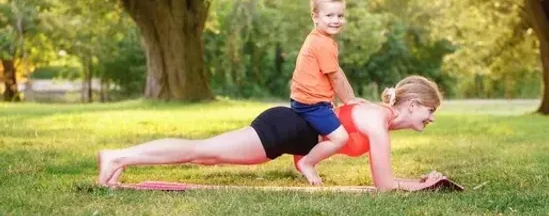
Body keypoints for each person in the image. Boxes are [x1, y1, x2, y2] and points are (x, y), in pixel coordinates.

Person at [97, 75, 444, 192]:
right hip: (281, 131)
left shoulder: (377, 118)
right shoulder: (377, 121)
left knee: (204, 154)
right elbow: (384, 185)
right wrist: (424, 186)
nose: (431, 119)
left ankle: (122, 159)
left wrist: (418, 180)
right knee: (200, 150)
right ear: (412, 104)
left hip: (285, 132)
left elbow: (385, 177)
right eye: (431, 111)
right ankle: (117, 157)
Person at [289, 0, 365, 184]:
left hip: (312, 101)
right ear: (315, 17)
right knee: (340, 139)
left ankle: (306, 155)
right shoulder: (322, 44)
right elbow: (335, 78)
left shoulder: (321, 39)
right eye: (329, 15)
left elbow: (338, 72)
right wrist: (347, 100)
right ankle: (307, 163)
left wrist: (351, 97)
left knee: (326, 136)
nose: (336, 20)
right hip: (311, 104)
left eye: (340, 15)